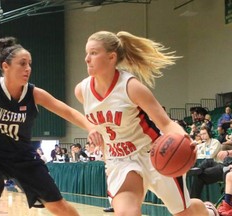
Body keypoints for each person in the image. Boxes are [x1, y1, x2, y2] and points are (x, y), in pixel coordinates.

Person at [0, 2, 102, 216]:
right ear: (5, 66)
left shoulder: (34, 93)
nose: (28, 69)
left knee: (59, 206)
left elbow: (67, 111)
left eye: (30, 64)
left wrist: (91, 127)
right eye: (22, 63)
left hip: (23, 158)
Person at [75, 30, 218, 215]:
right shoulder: (82, 91)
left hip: (152, 153)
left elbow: (165, 123)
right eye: (86, 53)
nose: (87, 59)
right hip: (119, 160)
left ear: (111, 57)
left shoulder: (130, 86)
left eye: (93, 53)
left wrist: (186, 140)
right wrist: (95, 131)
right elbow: (99, 122)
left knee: (186, 212)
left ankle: (208, 211)